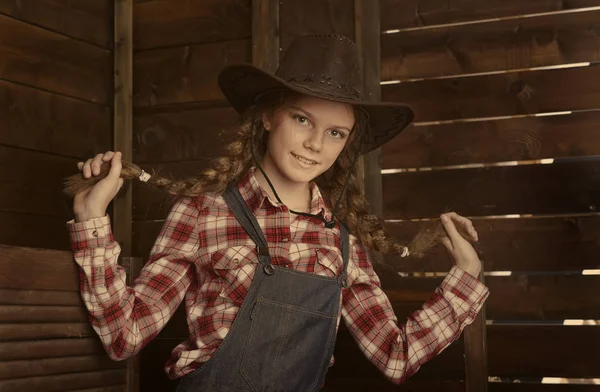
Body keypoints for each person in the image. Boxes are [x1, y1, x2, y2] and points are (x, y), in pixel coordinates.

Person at [65, 34, 489, 392]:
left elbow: (396, 357)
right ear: (268, 115)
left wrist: (465, 278)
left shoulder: (341, 241)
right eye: (302, 119)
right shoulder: (202, 213)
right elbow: (124, 336)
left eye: (335, 132)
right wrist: (91, 220)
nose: (315, 144)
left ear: (347, 144)